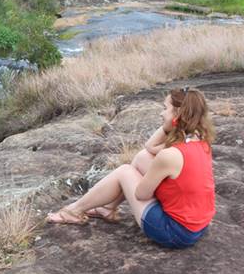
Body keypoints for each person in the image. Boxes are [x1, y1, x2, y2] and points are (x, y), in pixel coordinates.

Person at [46, 87, 216, 249]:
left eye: (165, 108)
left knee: (124, 171)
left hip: (175, 232)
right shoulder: (201, 142)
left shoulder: (169, 155)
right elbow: (149, 147)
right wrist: (170, 125)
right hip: (198, 227)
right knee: (142, 157)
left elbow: (141, 194)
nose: (161, 113)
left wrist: (142, 179)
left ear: (177, 114)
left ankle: (73, 210)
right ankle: (107, 208)